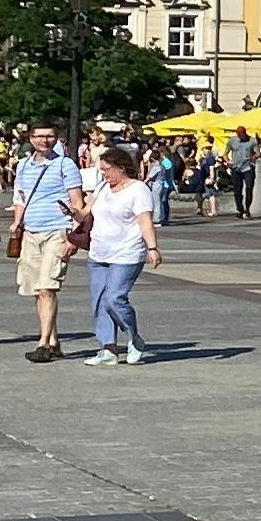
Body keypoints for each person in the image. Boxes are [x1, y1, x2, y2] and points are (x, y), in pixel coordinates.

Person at [81, 139, 162, 364]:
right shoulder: (102, 188)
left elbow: (145, 221)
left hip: (126, 252)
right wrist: (73, 212)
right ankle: (108, 348)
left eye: (107, 169)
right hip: (99, 252)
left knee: (114, 298)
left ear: (122, 167)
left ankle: (134, 337)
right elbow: (86, 213)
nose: (104, 174)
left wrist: (152, 248)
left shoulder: (138, 189)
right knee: (99, 300)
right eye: (101, 170)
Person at [9, 123, 84, 363]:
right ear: (31, 139)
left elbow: (77, 202)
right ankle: (53, 340)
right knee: (36, 290)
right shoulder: (23, 165)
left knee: (47, 287)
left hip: (57, 230)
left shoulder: (65, 164)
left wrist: (73, 235)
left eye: (50, 136)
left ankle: (43, 343)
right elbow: (20, 197)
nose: (45, 140)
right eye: (40, 136)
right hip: (31, 231)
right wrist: (17, 222)